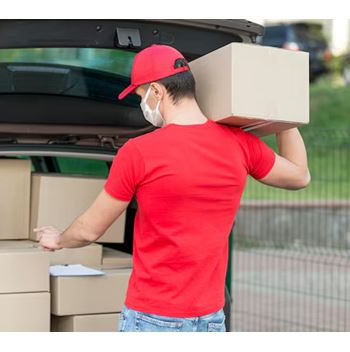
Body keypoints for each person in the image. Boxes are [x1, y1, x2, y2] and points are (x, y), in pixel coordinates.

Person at [34, 44, 310, 332]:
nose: (142, 106)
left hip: (153, 315)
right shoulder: (239, 144)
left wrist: (59, 239)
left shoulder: (139, 151)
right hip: (211, 319)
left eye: (140, 96)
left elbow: (90, 229)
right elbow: (299, 176)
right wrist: (283, 115)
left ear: (157, 91)